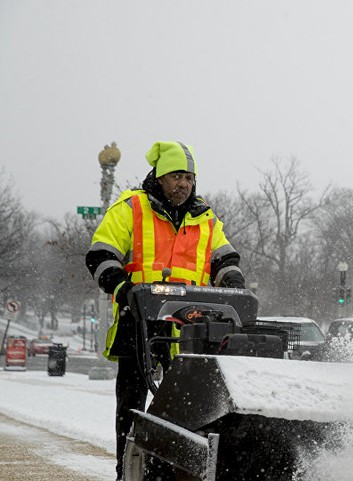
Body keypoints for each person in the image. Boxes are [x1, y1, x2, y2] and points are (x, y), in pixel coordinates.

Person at [85, 140, 245, 480]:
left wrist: (232, 282)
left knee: (190, 406)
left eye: (188, 177)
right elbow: (101, 254)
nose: (183, 184)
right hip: (139, 319)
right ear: (159, 177)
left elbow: (226, 260)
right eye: (175, 176)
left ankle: (176, 470)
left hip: (190, 327)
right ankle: (126, 469)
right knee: (131, 402)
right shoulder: (131, 207)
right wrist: (122, 288)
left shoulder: (206, 219)